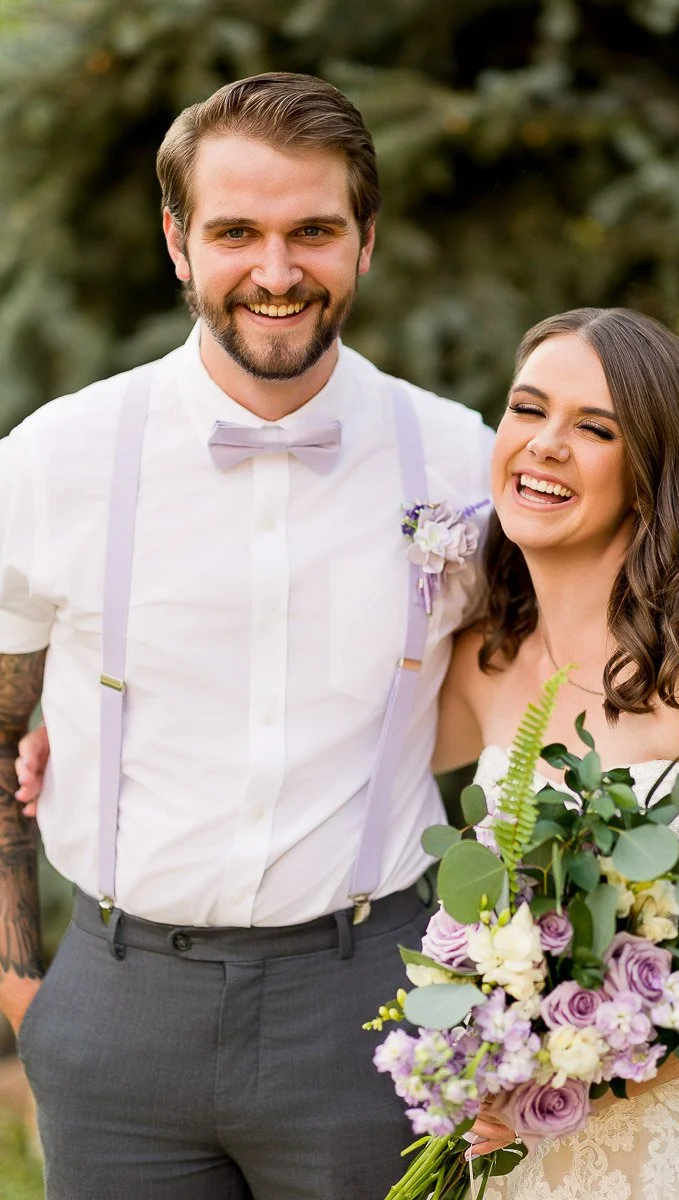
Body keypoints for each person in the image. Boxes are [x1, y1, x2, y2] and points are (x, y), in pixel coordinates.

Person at [0, 72, 491, 1200]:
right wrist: (31, 996)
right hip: (120, 1012)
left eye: (312, 230)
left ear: (364, 239)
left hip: (374, 1002)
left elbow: (550, 694)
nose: (275, 273)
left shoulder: (461, 462)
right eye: (235, 233)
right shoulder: (53, 459)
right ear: (178, 242)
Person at [431, 307, 679, 1198]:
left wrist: (594, 1080)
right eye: (529, 410)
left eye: (595, 429)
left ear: (650, 474)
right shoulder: (486, 657)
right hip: (527, 1159)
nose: (546, 444)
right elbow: (317, 746)